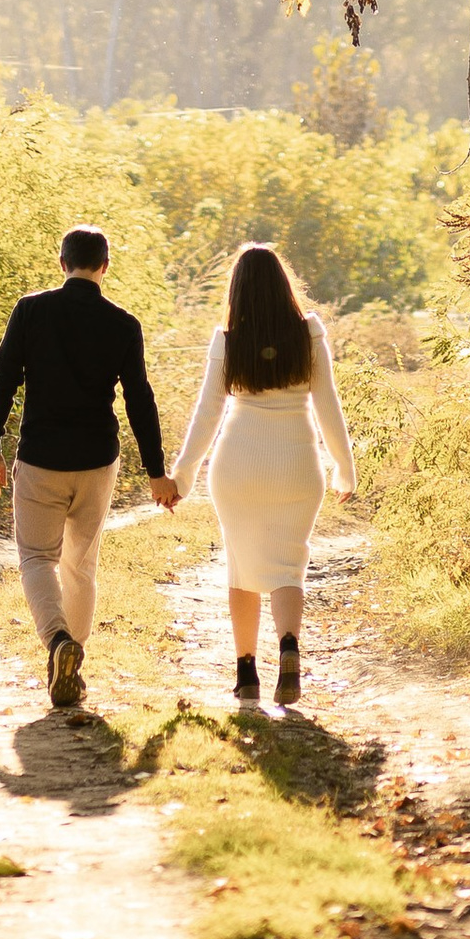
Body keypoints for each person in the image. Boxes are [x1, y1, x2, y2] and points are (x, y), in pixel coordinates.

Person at [0, 223, 180, 715]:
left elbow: (3, 379)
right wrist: (157, 470)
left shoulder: (31, 310)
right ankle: (75, 662)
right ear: (105, 267)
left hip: (41, 458)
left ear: (61, 262)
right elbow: (140, 400)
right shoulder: (123, 323)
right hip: (96, 462)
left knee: (36, 560)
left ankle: (57, 643)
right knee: (81, 565)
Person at [171, 240, 355, 710]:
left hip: (238, 465)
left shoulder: (227, 339)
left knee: (242, 566)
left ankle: (246, 673)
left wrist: (183, 474)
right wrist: (344, 467)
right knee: (289, 564)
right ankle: (289, 647)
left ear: (238, 291)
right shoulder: (309, 331)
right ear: (283, 285)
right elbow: (327, 404)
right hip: (297, 464)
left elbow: (207, 414)